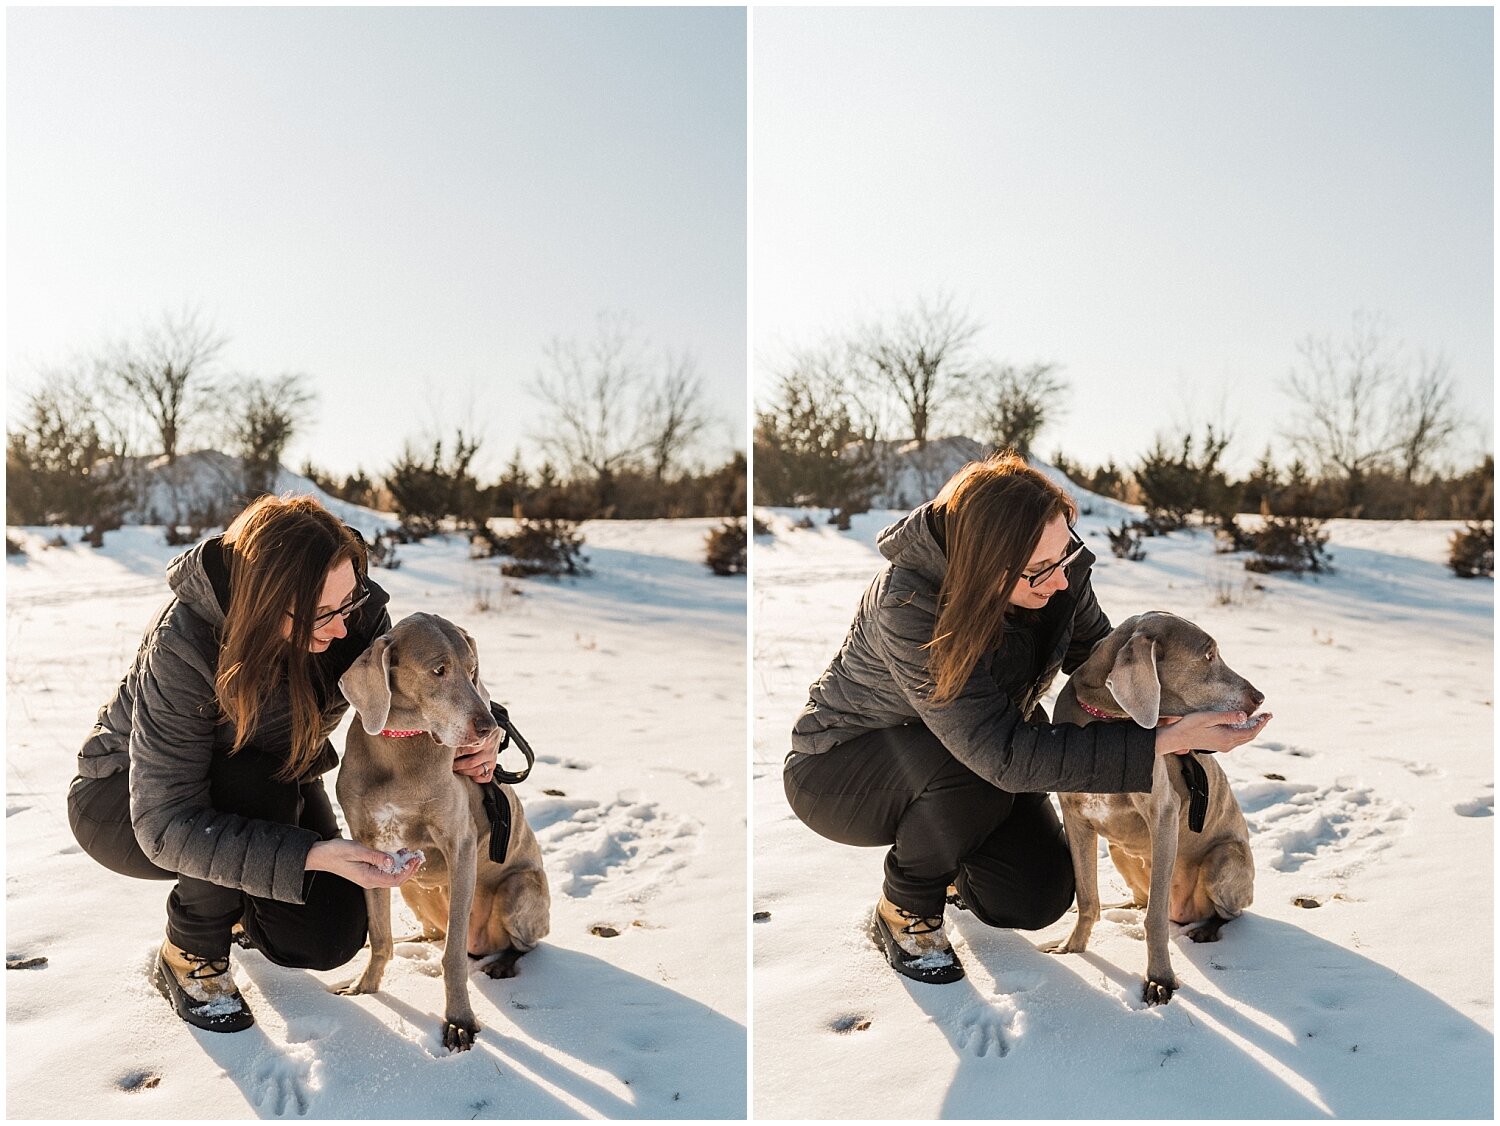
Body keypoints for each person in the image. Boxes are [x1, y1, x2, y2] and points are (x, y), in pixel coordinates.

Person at [785, 452, 1270, 984]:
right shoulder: (908, 603)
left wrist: (1186, 711)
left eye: (1066, 556)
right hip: (842, 770)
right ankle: (907, 908)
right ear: (984, 563)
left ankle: (950, 868)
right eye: (1041, 569)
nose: (1061, 581)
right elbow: (999, 753)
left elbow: (1101, 673)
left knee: (1036, 894)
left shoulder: (1057, 576)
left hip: (973, 758)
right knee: (975, 764)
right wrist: (1156, 744)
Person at [66, 495, 502, 1031]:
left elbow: (427, 668)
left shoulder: (348, 612)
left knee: (330, 936)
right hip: (127, 802)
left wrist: (487, 728)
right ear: (266, 601)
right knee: (247, 785)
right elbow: (166, 824)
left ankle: (241, 908)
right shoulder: (184, 646)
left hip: (271, 777)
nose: (346, 628)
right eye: (324, 613)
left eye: (351, 602)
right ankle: (193, 952)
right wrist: (311, 854)